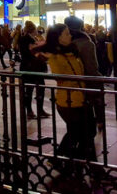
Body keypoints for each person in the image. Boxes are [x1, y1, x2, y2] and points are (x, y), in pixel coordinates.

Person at [37, 24, 96, 162]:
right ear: (58, 38)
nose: (70, 36)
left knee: (83, 132)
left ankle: (65, 160)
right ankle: (90, 168)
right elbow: (61, 75)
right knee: (81, 133)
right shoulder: (55, 55)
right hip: (68, 100)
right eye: (66, 34)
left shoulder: (72, 50)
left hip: (81, 97)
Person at [19, 21, 49, 119]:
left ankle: (36, 110)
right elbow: (30, 53)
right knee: (32, 89)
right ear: (32, 30)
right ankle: (32, 111)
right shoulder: (27, 39)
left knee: (36, 88)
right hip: (31, 67)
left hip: (31, 67)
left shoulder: (30, 38)